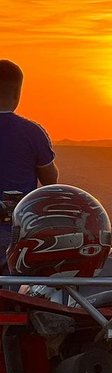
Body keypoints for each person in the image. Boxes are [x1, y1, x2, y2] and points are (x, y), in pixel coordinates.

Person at [0, 60, 59, 274]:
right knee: (15, 301)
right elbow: (51, 181)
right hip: (15, 233)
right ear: (17, 92)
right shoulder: (33, 133)